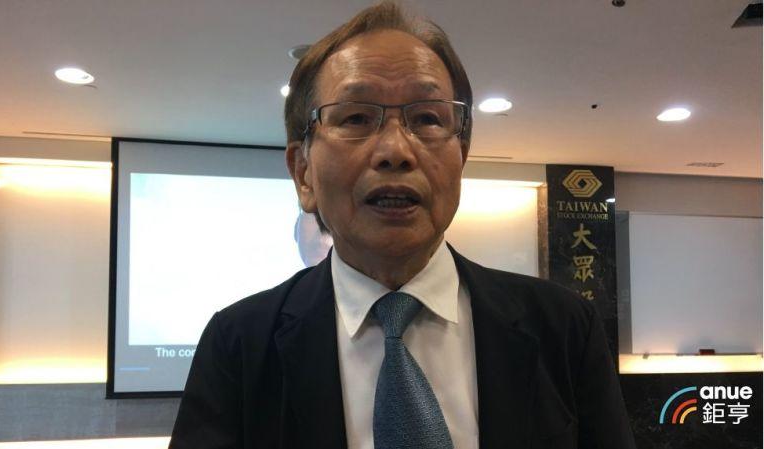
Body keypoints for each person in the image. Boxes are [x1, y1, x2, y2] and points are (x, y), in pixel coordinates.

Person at [169, 2, 636, 448]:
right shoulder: (238, 343)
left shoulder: (563, 328)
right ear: (303, 172)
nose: (396, 150)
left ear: (461, 159)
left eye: (427, 119)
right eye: (356, 117)